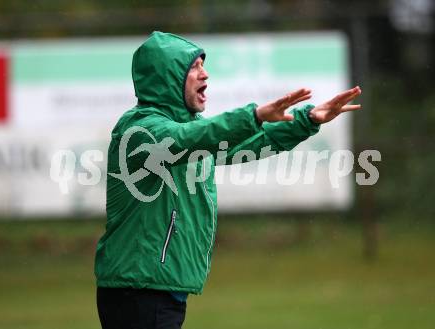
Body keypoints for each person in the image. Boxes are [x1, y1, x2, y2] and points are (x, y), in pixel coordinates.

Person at [94, 31, 362, 329]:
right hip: (138, 292)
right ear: (167, 77)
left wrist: (307, 120)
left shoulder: (190, 130)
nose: (204, 73)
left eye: (202, 65)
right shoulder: (141, 131)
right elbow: (189, 139)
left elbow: (250, 142)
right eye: (193, 67)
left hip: (155, 290)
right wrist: (255, 115)